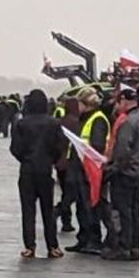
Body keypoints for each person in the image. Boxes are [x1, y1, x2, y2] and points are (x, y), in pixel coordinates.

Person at [9, 90, 65, 259]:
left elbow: (15, 148)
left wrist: (25, 159)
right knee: (47, 209)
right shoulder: (54, 123)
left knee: (28, 210)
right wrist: (51, 159)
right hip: (45, 170)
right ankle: (52, 246)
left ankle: (29, 246)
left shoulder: (21, 124)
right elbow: (59, 146)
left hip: (27, 170)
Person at [104, 84, 139, 261]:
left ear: (125, 101)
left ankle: (122, 246)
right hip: (138, 172)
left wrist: (112, 169)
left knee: (121, 210)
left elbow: (123, 150)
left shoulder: (128, 122)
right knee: (134, 210)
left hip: (125, 173)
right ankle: (135, 246)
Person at [67, 87, 110, 254]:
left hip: (90, 170)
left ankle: (94, 240)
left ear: (86, 104)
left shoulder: (97, 119)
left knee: (90, 206)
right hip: (81, 167)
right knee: (81, 206)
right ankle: (83, 238)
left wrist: (83, 149)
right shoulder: (86, 118)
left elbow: (97, 146)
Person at [54, 95, 83, 233]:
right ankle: (58, 211)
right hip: (71, 162)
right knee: (73, 194)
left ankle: (66, 221)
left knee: (66, 192)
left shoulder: (60, 122)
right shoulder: (77, 123)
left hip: (60, 162)